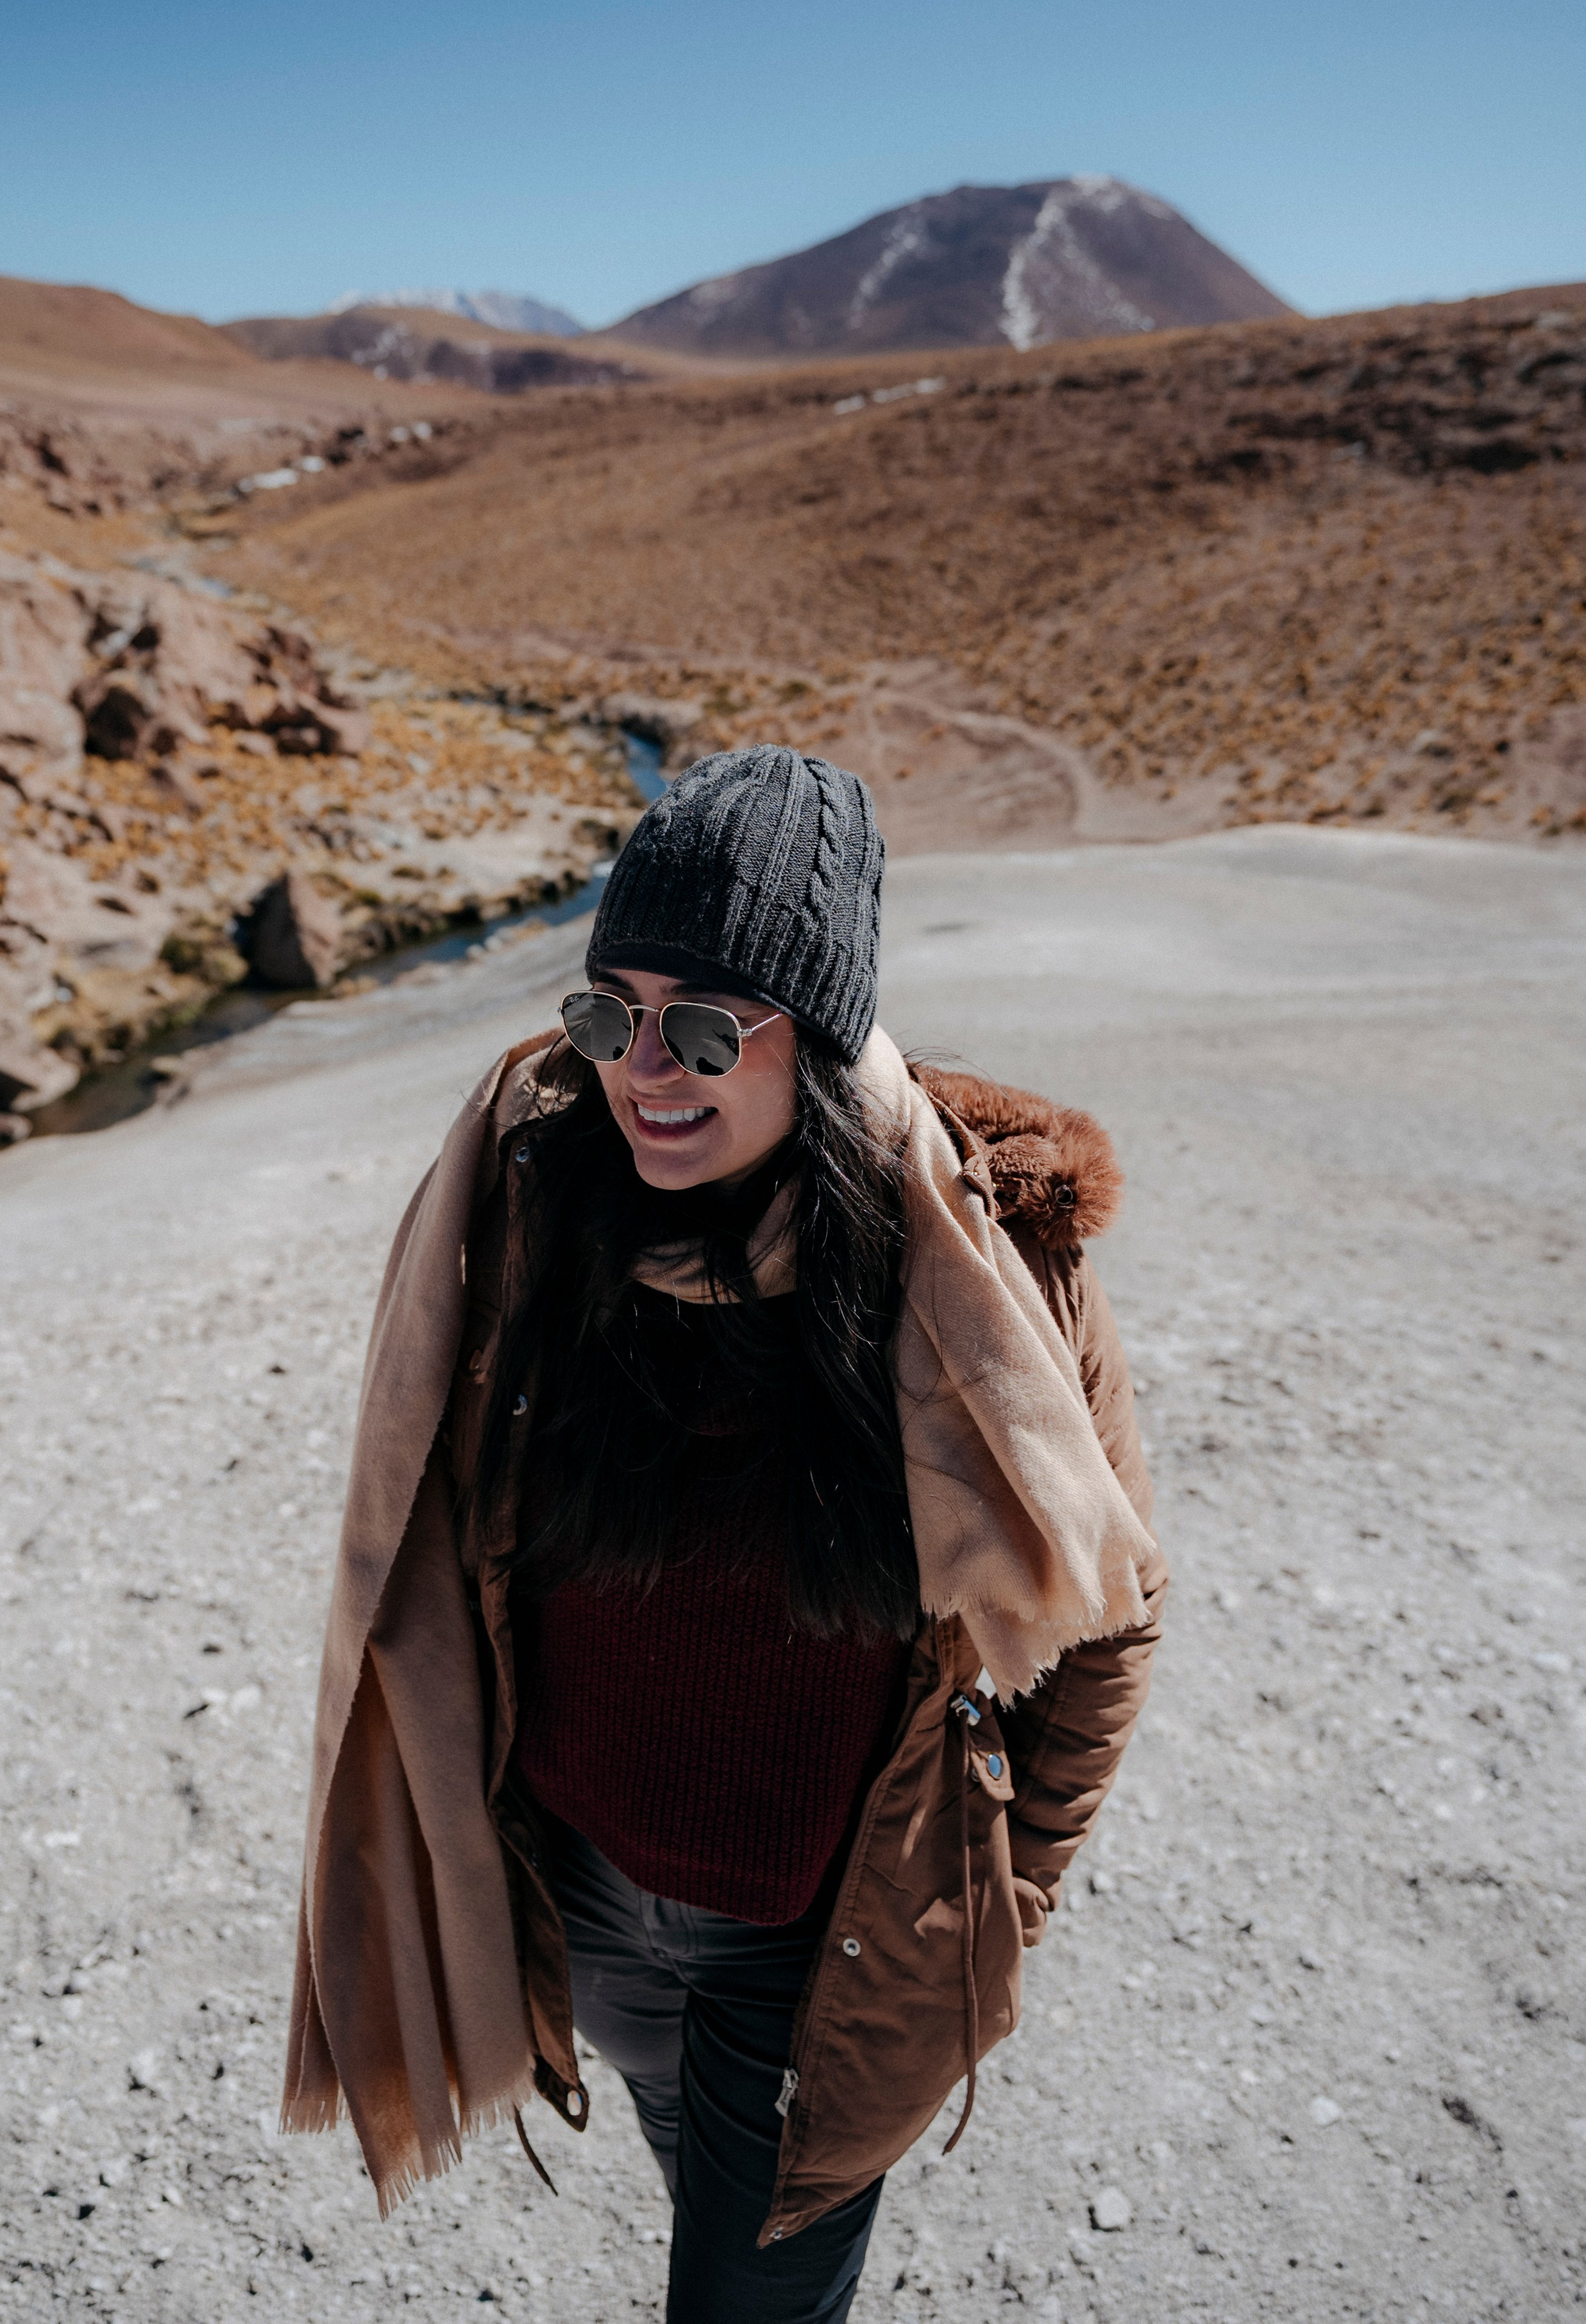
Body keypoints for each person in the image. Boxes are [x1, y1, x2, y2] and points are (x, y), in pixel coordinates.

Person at [282, 745, 1166, 2324]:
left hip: (815, 1950)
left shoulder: (978, 1277)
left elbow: (1108, 1619)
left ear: (815, 1034)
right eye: (604, 1013)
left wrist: (1002, 1895)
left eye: (702, 1024)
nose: (644, 1068)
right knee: (698, 2173)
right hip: (590, 1904)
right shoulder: (542, 1207)